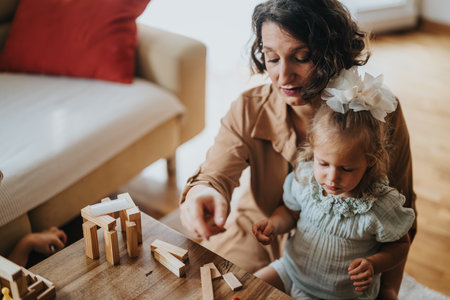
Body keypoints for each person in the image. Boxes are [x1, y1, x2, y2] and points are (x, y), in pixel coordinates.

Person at [179, 0, 416, 299]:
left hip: (342, 259)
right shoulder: (250, 107)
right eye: (272, 57)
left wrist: (391, 290)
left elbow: (402, 212)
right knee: (227, 290)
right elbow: (214, 174)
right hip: (262, 231)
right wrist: (205, 192)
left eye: (301, 57)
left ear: (334, 53)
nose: (283, 76)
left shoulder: (379, 113)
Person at [252, 67, 415, 299]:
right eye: (324, 163)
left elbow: (400, 246)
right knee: (249, 287)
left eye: (346, 169)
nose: (332, 177)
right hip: (291, 271)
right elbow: (290, 212)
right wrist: (274, 225)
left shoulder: (380, 204)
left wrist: (374, 264)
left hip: (340, 295)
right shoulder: (307, 178)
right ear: (313, 148)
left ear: (371, 160)